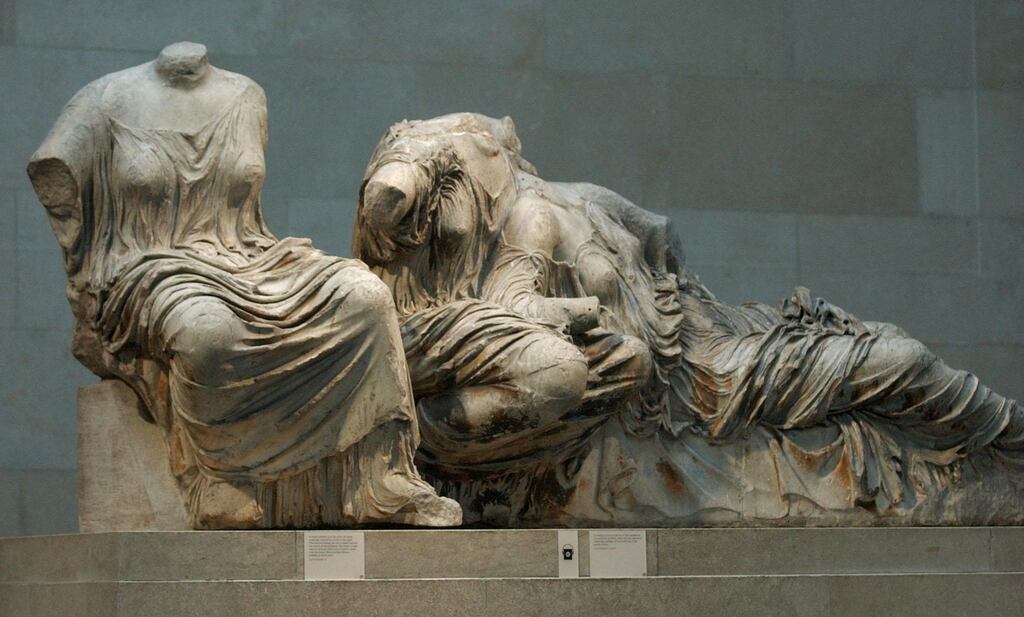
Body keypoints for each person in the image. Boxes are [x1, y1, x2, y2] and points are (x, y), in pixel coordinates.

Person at [354, 112, 1024, 525]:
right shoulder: (537, 219)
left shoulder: (556, 204)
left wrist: (685, 306)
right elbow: (523, 306)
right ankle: (1008, 437)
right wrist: (592, 306)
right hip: (701, 380)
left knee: (891, 358)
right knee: (894, 359)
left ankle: (1007, 442)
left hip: (711, 340)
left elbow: (660, 245)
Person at [27, 42, 461, 529]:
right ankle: (220, 480)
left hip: (250, 256)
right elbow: (53, 173)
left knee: (363, 297)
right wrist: (87, 274)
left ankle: (378, 479)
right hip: (151, 266)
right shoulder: (102, 101)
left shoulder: (245, 96)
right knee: (207, 332)